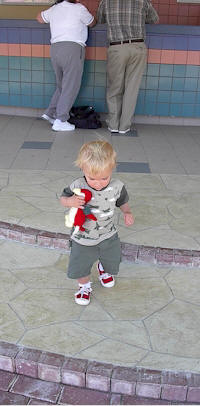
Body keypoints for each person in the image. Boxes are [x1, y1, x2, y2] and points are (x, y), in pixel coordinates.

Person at [60, 140, 134, 305]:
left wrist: (127, 211)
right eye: (92, 178)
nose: (98, 183)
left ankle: (104, 269)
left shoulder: (116, 186)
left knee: (112, 258)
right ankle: (84, 286)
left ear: (112, 169)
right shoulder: (77, 186)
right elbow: (63, 199)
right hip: (83, 237)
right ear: (83, 169)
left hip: (108, 233)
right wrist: (70, 201)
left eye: (104, 178)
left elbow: (122, 201)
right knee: (81, 264)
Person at [97, 0, 159, 135]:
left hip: (116, 47)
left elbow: (100, 19)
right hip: (138, 46)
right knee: (131, 88)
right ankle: (124, 126)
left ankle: (113, 124)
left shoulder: (106, 2)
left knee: (115, 87)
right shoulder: (143, 1)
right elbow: (154, 19)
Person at [36, 0, 96, 132]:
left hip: (55, 49)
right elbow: (92, 22)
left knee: (62, 84)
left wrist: (54, 10)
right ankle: (61, 120)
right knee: (71, 85)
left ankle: (50, 113)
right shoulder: (79, 8)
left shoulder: (55, 9)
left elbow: (39, 18)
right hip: (72, 48)